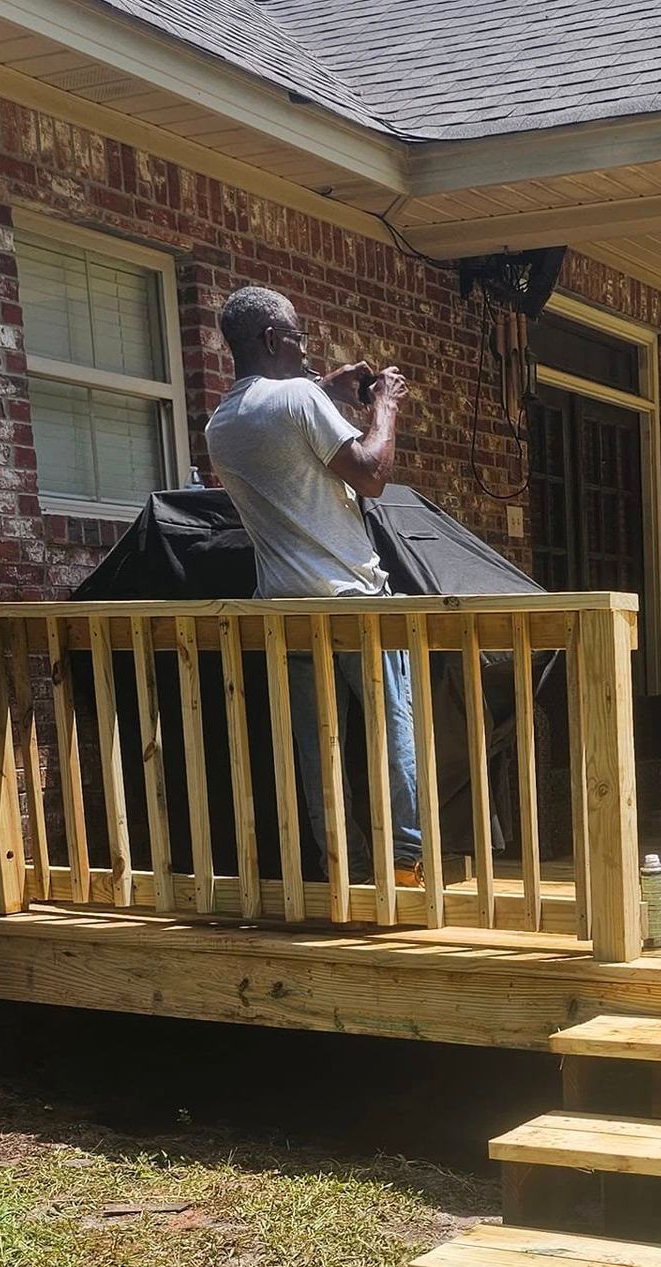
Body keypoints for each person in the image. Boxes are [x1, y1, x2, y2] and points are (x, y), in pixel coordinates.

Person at [204, 284, 422, 887]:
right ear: (273, 339)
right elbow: (371, 474)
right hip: (353, 601)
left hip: (285, 611)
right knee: (390, 729)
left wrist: (324, 387)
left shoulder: (219, 425)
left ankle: (342, 870)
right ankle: (408, 861)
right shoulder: (298, 397)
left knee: (316, 748)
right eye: (298, 338)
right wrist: (384, 405)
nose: (306, 350)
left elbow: (276, 427)